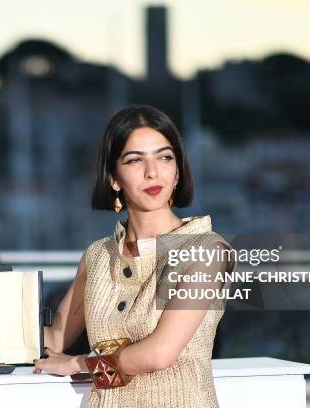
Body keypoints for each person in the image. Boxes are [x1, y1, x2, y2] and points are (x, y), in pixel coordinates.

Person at [34, 105, 236, 407]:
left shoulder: (206, 250)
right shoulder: (98, 256)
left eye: (165, 157)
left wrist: (78, 364)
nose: (152, 171)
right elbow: (52, 341)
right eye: (134, 160)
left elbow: (159, 354)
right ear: (114, 179)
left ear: (178, 171)